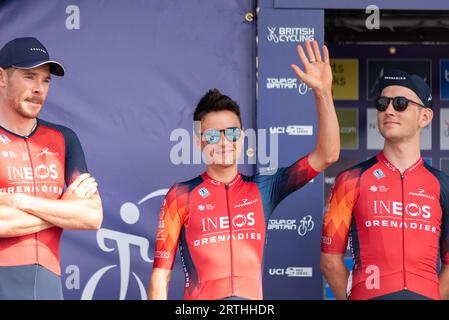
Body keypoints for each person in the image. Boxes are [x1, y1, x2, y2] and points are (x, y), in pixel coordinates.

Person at [148, 40, 340, 300]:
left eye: (232, 133)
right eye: (213, 135)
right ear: (197, 141)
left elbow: (327, 154)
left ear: (243, 137)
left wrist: (323, 93)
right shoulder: (181, 195)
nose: (224, 142)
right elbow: (161, 275)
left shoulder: (265, 187)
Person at [321, 69, 449, 300]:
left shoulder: (442, 185)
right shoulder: (350, 180)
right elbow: (330, 261)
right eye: (382, 103)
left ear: (425, 117)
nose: (389, 110)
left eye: (400, 103)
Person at [0, 37, 103, 299]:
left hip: (48, 284)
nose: (39, 88)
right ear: (2, 78)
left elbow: (91, 216)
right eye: (29, 76)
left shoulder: (64, 138)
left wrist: (19, 200)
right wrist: (62, 208)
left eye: (45, 80)